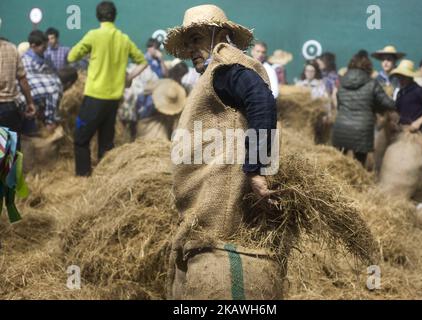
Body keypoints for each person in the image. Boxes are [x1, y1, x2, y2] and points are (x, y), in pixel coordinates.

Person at [164, 4, 278, 299]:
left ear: (221, 35)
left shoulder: (226, 69)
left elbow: (262, 102)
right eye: (188, 42)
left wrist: (255, 170)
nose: (191, 49)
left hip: (221, 208)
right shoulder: (216, 73)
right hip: (207, 203)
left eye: (198, 38)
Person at [68, 1, 148, 176]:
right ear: (114, 16)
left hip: (95, 96)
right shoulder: (123, 38)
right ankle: (104, 178)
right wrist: (128, 77)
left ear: (98, 16)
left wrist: (90, 53)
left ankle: (83, 176)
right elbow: (143, 62)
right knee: (106, 143)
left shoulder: (93, 35)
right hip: (114, 99)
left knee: (81, 139)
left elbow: (72, 56)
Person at [332, 51, 396, 165]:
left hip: (341, 127)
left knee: (337, 166)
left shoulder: (342, 83)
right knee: (359, 168)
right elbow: (388, 104)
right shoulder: (372, 83)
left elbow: (339, 104)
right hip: (361, 131)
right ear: (368, 66)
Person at [21, 30, 63, 132]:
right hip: (28, 101)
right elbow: (49, 86)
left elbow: (52, 73)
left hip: (40, 102)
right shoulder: (25, 61)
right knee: (54, 86)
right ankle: (50, 121)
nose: (45, 50)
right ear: (33, 46)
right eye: (43, 47)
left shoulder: (44, 58)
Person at [0, 38, 36, 145]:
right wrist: (30, 102)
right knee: (9, 150)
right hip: (9, 108)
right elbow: (23, 80)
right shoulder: (11, 48)